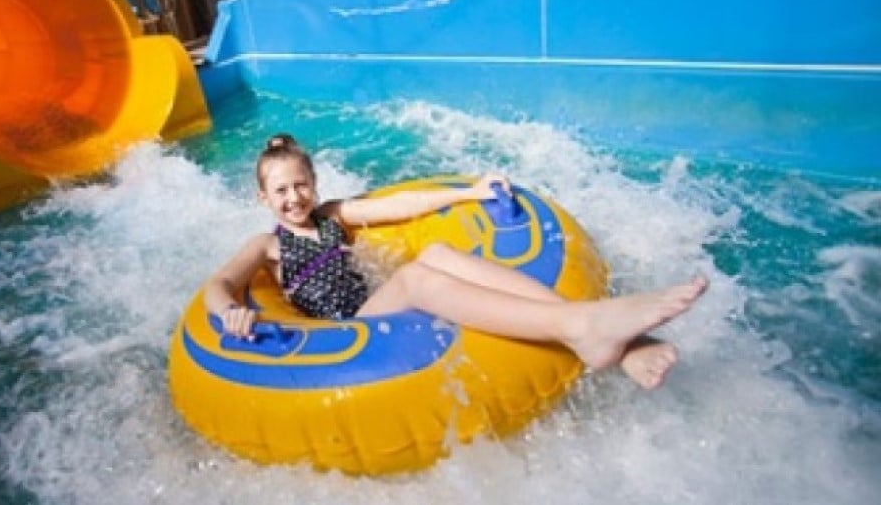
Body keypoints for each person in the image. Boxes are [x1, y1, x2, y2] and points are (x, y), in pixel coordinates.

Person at [204, 134, 708, 389]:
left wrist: (469, 194)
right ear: (263, 198)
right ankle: (583, 328)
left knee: (439, 252)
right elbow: (221, 283)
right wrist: (230, 310)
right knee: (417, 277)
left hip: (375, 306)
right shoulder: (267, 246)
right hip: (346, 334)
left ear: (314, 183)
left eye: (301, 185)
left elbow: (397, 206)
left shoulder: (334, 215)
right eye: (281, 191)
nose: (294, 197)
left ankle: (620, 346)